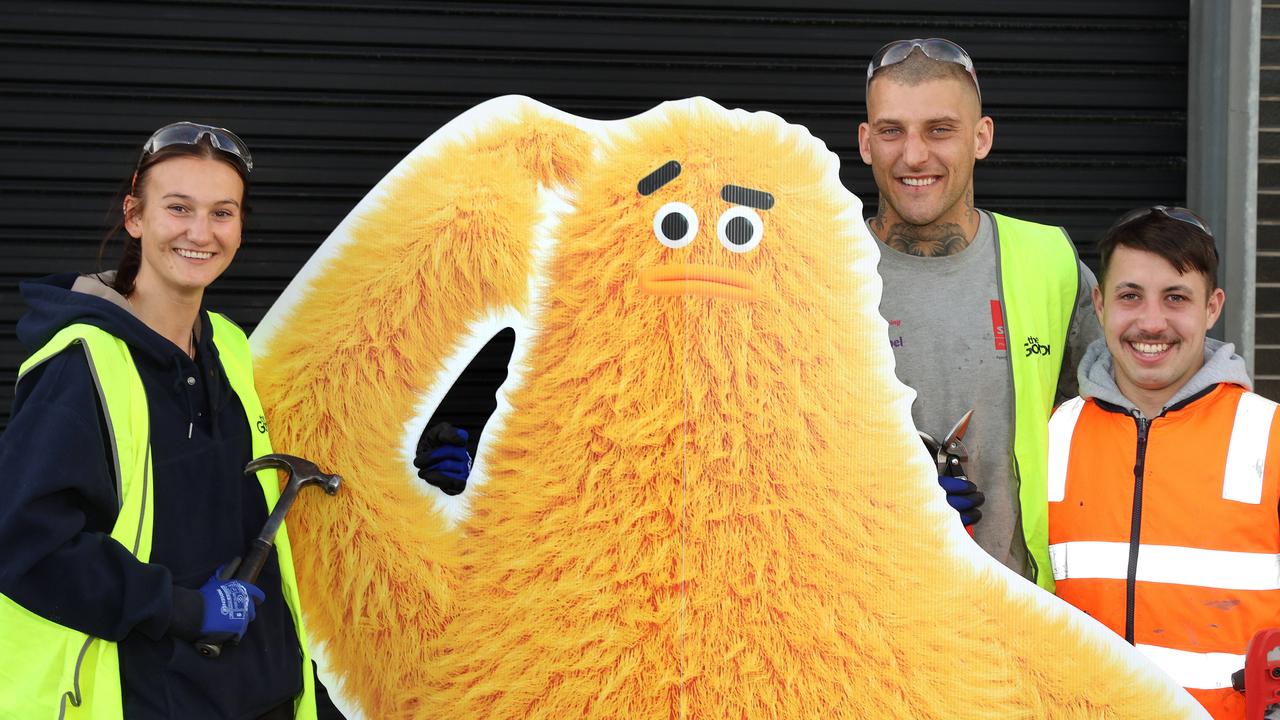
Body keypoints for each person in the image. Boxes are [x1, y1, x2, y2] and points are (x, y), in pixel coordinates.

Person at [0, 122, 322, 719]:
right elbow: (25, 545)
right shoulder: (83, 365)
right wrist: (181, 608)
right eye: (178, 208)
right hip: (154, 697)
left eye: (222, 212)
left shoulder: (226, 345)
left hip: (266, 690)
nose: (201, 233)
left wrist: (430, 459)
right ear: (135, 216)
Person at [858, 38, 1101, 587]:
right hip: (860, 620)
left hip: (1019, 624)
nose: (914, 155)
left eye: (940, 129)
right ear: (866, 142)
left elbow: (1127, 420)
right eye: (893, 130)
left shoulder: (1050, 263)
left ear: (982, 137)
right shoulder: (816, 268)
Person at [1046, 206, 1279, 718]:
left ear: (1212, 307)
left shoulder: (1271, 437)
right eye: (1130, 296)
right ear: (1100, 304)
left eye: (1176, 297)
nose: (1152, 322)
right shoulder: (1055, 434)